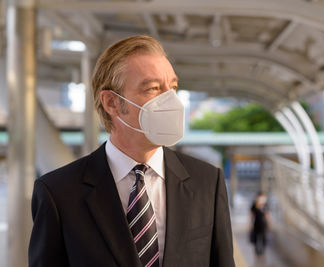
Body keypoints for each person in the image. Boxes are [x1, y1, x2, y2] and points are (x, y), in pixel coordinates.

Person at [29, 35, 235, 267]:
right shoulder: (58, 193)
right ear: (112, 103)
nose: (171, 100)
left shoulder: (207, 182)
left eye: (173, 87)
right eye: (153, 89)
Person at [249, 192, 270, 256]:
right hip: (256, 224)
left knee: (263, 238)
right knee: (256, 238)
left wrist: (269, 223)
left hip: (263, 224)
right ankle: (257, 252)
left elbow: (267, 215)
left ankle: (262, 252)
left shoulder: (265, 205)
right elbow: (251, 215)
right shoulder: (254, 204)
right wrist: (250, 224)